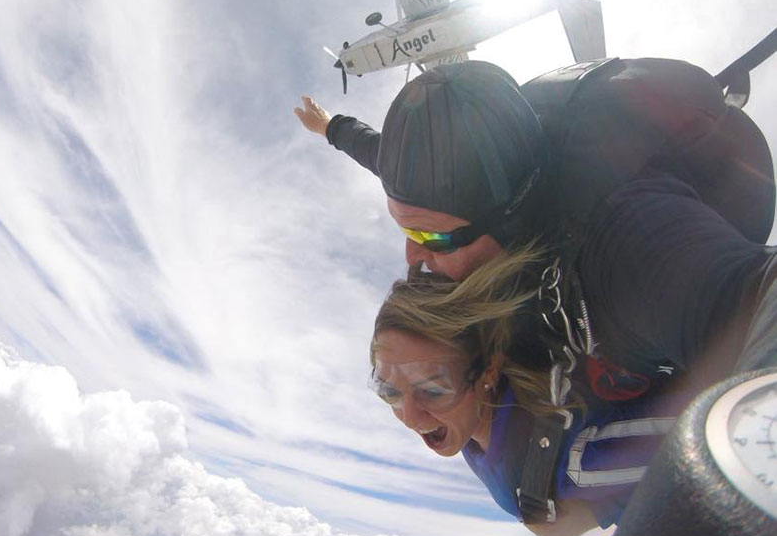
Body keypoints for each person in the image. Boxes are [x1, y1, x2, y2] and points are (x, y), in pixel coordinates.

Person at [295, 61, 777, 397]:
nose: (410, 256)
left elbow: (760, 301)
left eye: (431, 238)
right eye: (405, 227)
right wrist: (329, 126)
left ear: (510, 220)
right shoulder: (443, 186)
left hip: (714, 180)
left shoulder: (626, 240)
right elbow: (378, 152)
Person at [370, 260, 694, 536]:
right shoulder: (475, 427)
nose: (409, 417)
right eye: (388, 391)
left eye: (433, 391)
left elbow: (713, 426)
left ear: (490, 370)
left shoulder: (579, 461)